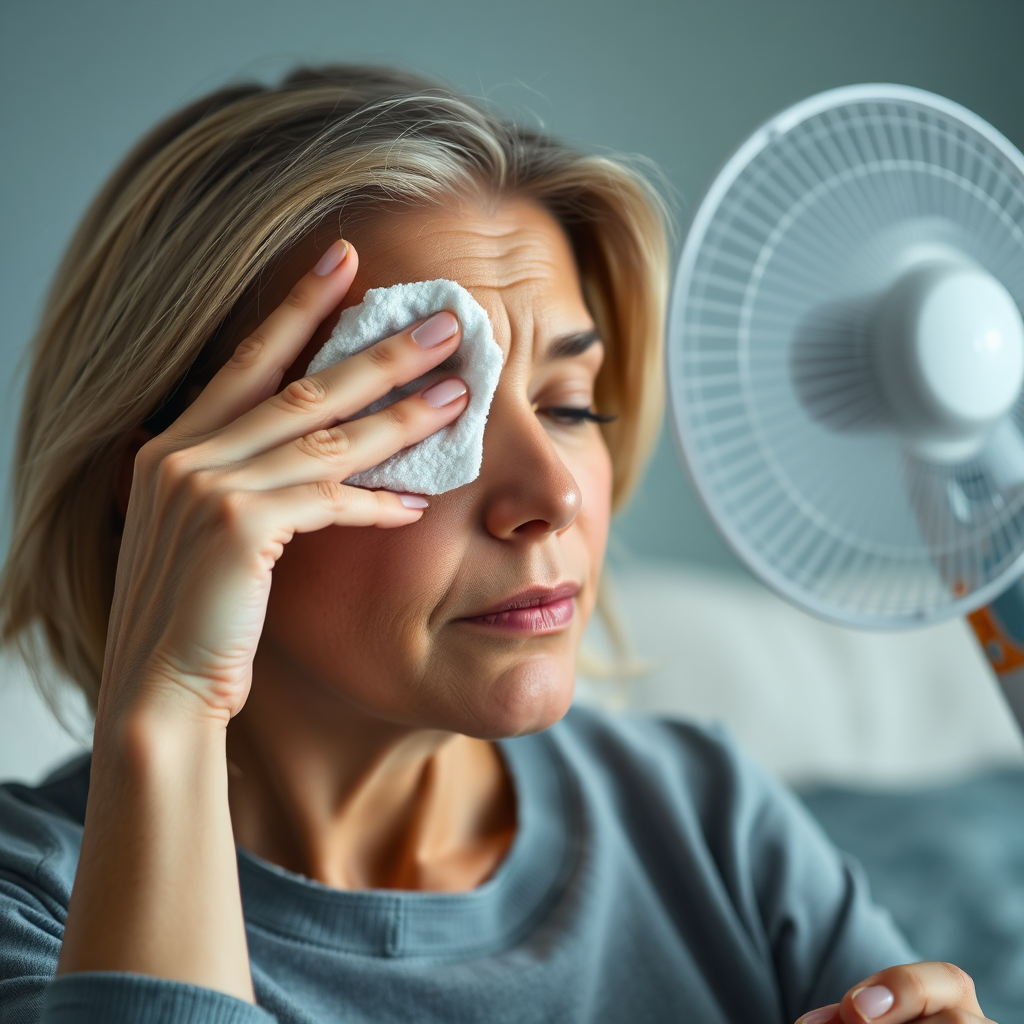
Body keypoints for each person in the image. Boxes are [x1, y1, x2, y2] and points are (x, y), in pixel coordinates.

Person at [0, 65, 992, 1024]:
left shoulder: (702, 815)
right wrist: (171, 708)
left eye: (569, 405)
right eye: (417, 413)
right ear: (171, 491)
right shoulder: (33, 909)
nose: (555, 495)